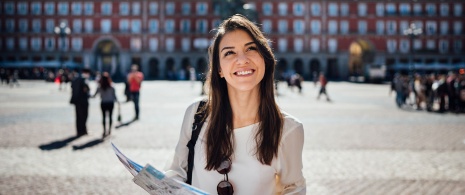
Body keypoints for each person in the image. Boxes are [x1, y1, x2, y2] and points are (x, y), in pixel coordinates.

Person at [165, 14, 306, 195]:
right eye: (229, 52)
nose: (242, 60)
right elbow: (177, 171)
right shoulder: (196, 114)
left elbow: (294, 188)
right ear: (219, 69)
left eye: (251, 49)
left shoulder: (288, 129)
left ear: (264, 58)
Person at [92, 72, 117, 139]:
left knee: (103, 117)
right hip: (110, 103)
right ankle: (109, 130)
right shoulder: (112, 86)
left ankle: (104, 130)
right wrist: (117, 101)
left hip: (103, 103)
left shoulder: (100, 87)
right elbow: (114, 96)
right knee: (110, 117)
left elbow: (94, 95)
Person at [70, 68, 91, 137]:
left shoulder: (75, 79)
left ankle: (79, 131)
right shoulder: (84, 79)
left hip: (76, 100)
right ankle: (83, 130)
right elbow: (85, 89)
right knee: (84, 115)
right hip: (83, 100)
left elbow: (72, 87)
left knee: (78, 116)